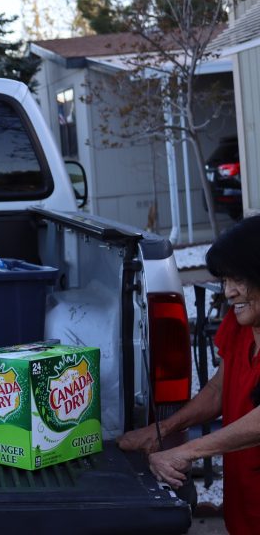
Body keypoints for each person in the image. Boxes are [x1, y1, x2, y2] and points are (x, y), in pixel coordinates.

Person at [117, 215, 260, 535]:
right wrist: (162, 430)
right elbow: (219, 389)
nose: (230, 292)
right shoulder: (240, 328)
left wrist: (186, 451)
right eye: (225, 281)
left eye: (239, 280)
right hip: (245, 506)